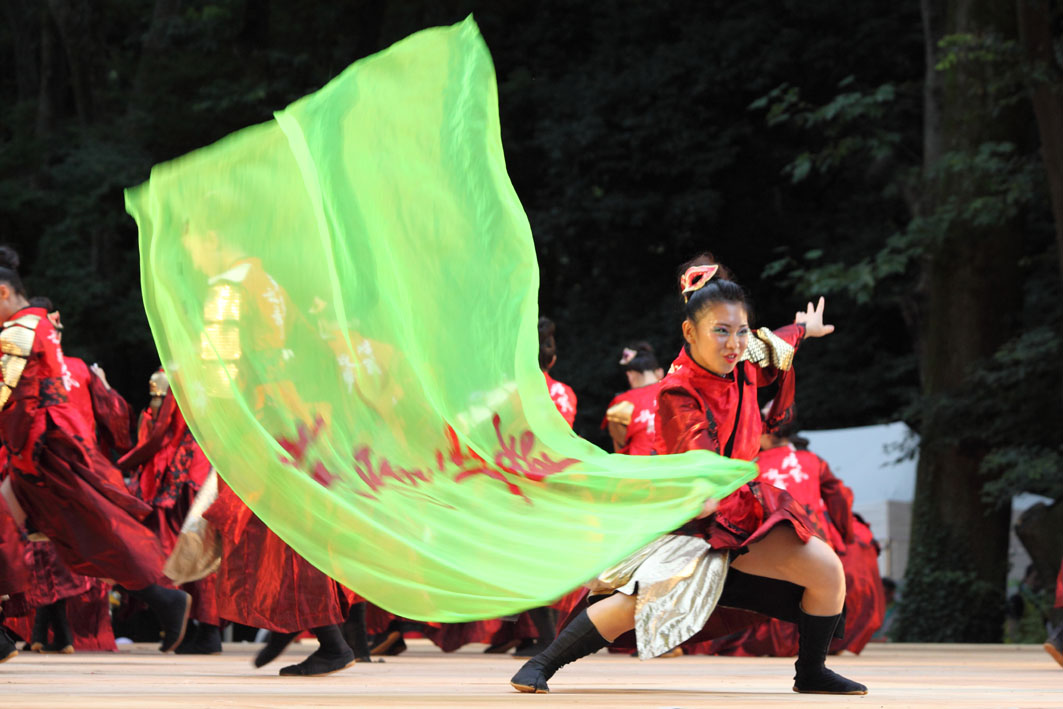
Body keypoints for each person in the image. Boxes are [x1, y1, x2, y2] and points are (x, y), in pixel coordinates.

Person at [510, 256, 867, 695]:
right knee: (632, 604)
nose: (734, 343)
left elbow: (772, 343)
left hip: (742, 509)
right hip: (696, 515)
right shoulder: (678, 390)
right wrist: (705, 494)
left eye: (740, 331)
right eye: (721, 331)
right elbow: (696, 457)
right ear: (689, 332)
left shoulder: (742, 359)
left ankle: (810, 673)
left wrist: (804, 330)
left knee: (827, 571)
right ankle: (539, 665)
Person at [181, 227, 358, 676]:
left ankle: (326, 637)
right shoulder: (270, 284)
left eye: (194, 241)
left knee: (269, 532)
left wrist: (218, 426)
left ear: (216, 236)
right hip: (294, 424)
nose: (192, 254)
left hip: (262, 427)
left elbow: (220, 373)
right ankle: (307, 627)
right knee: (284, 532)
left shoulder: (227, 291)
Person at [0, 248, 189, 663]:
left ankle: (164, 599)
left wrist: (21, 449)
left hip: (39, 451)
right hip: (56, 447)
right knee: (87, 534)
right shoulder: (41, 326)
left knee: (95, 533)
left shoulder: (16, 331)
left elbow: (13, 397)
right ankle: (162, 599)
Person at [119, 369, 221, 654]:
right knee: (203, 550)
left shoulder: (170, 373)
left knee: (174, 549)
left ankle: (197, 630)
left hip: (180, 475)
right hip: (207, 471)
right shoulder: (215, 373)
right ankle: (202, 630)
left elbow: (159, 430)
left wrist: (122, 465)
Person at [602, 342, 663, 455]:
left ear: (630, 375)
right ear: (660, 372)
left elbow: (619, 441)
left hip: (639, 466)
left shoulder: (623, 402)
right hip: (676, 464)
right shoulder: (671, 392)